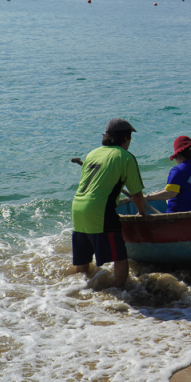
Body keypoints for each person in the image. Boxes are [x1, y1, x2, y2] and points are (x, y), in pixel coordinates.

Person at [71, 118, 146, 289]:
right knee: (120, 256)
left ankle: (77, 292)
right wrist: (142, 213)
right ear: (126, 139)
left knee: (83, 260)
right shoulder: (125, 157)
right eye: (130, 139)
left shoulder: (92, 154)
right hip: (100, 210)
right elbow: (137, 194)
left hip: (78, 208)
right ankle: (121, 292)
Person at [146, 136, 191, 213]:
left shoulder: (178, 170)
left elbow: (171, 193)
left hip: (178, 216)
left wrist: (147, 197)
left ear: (177, 155)